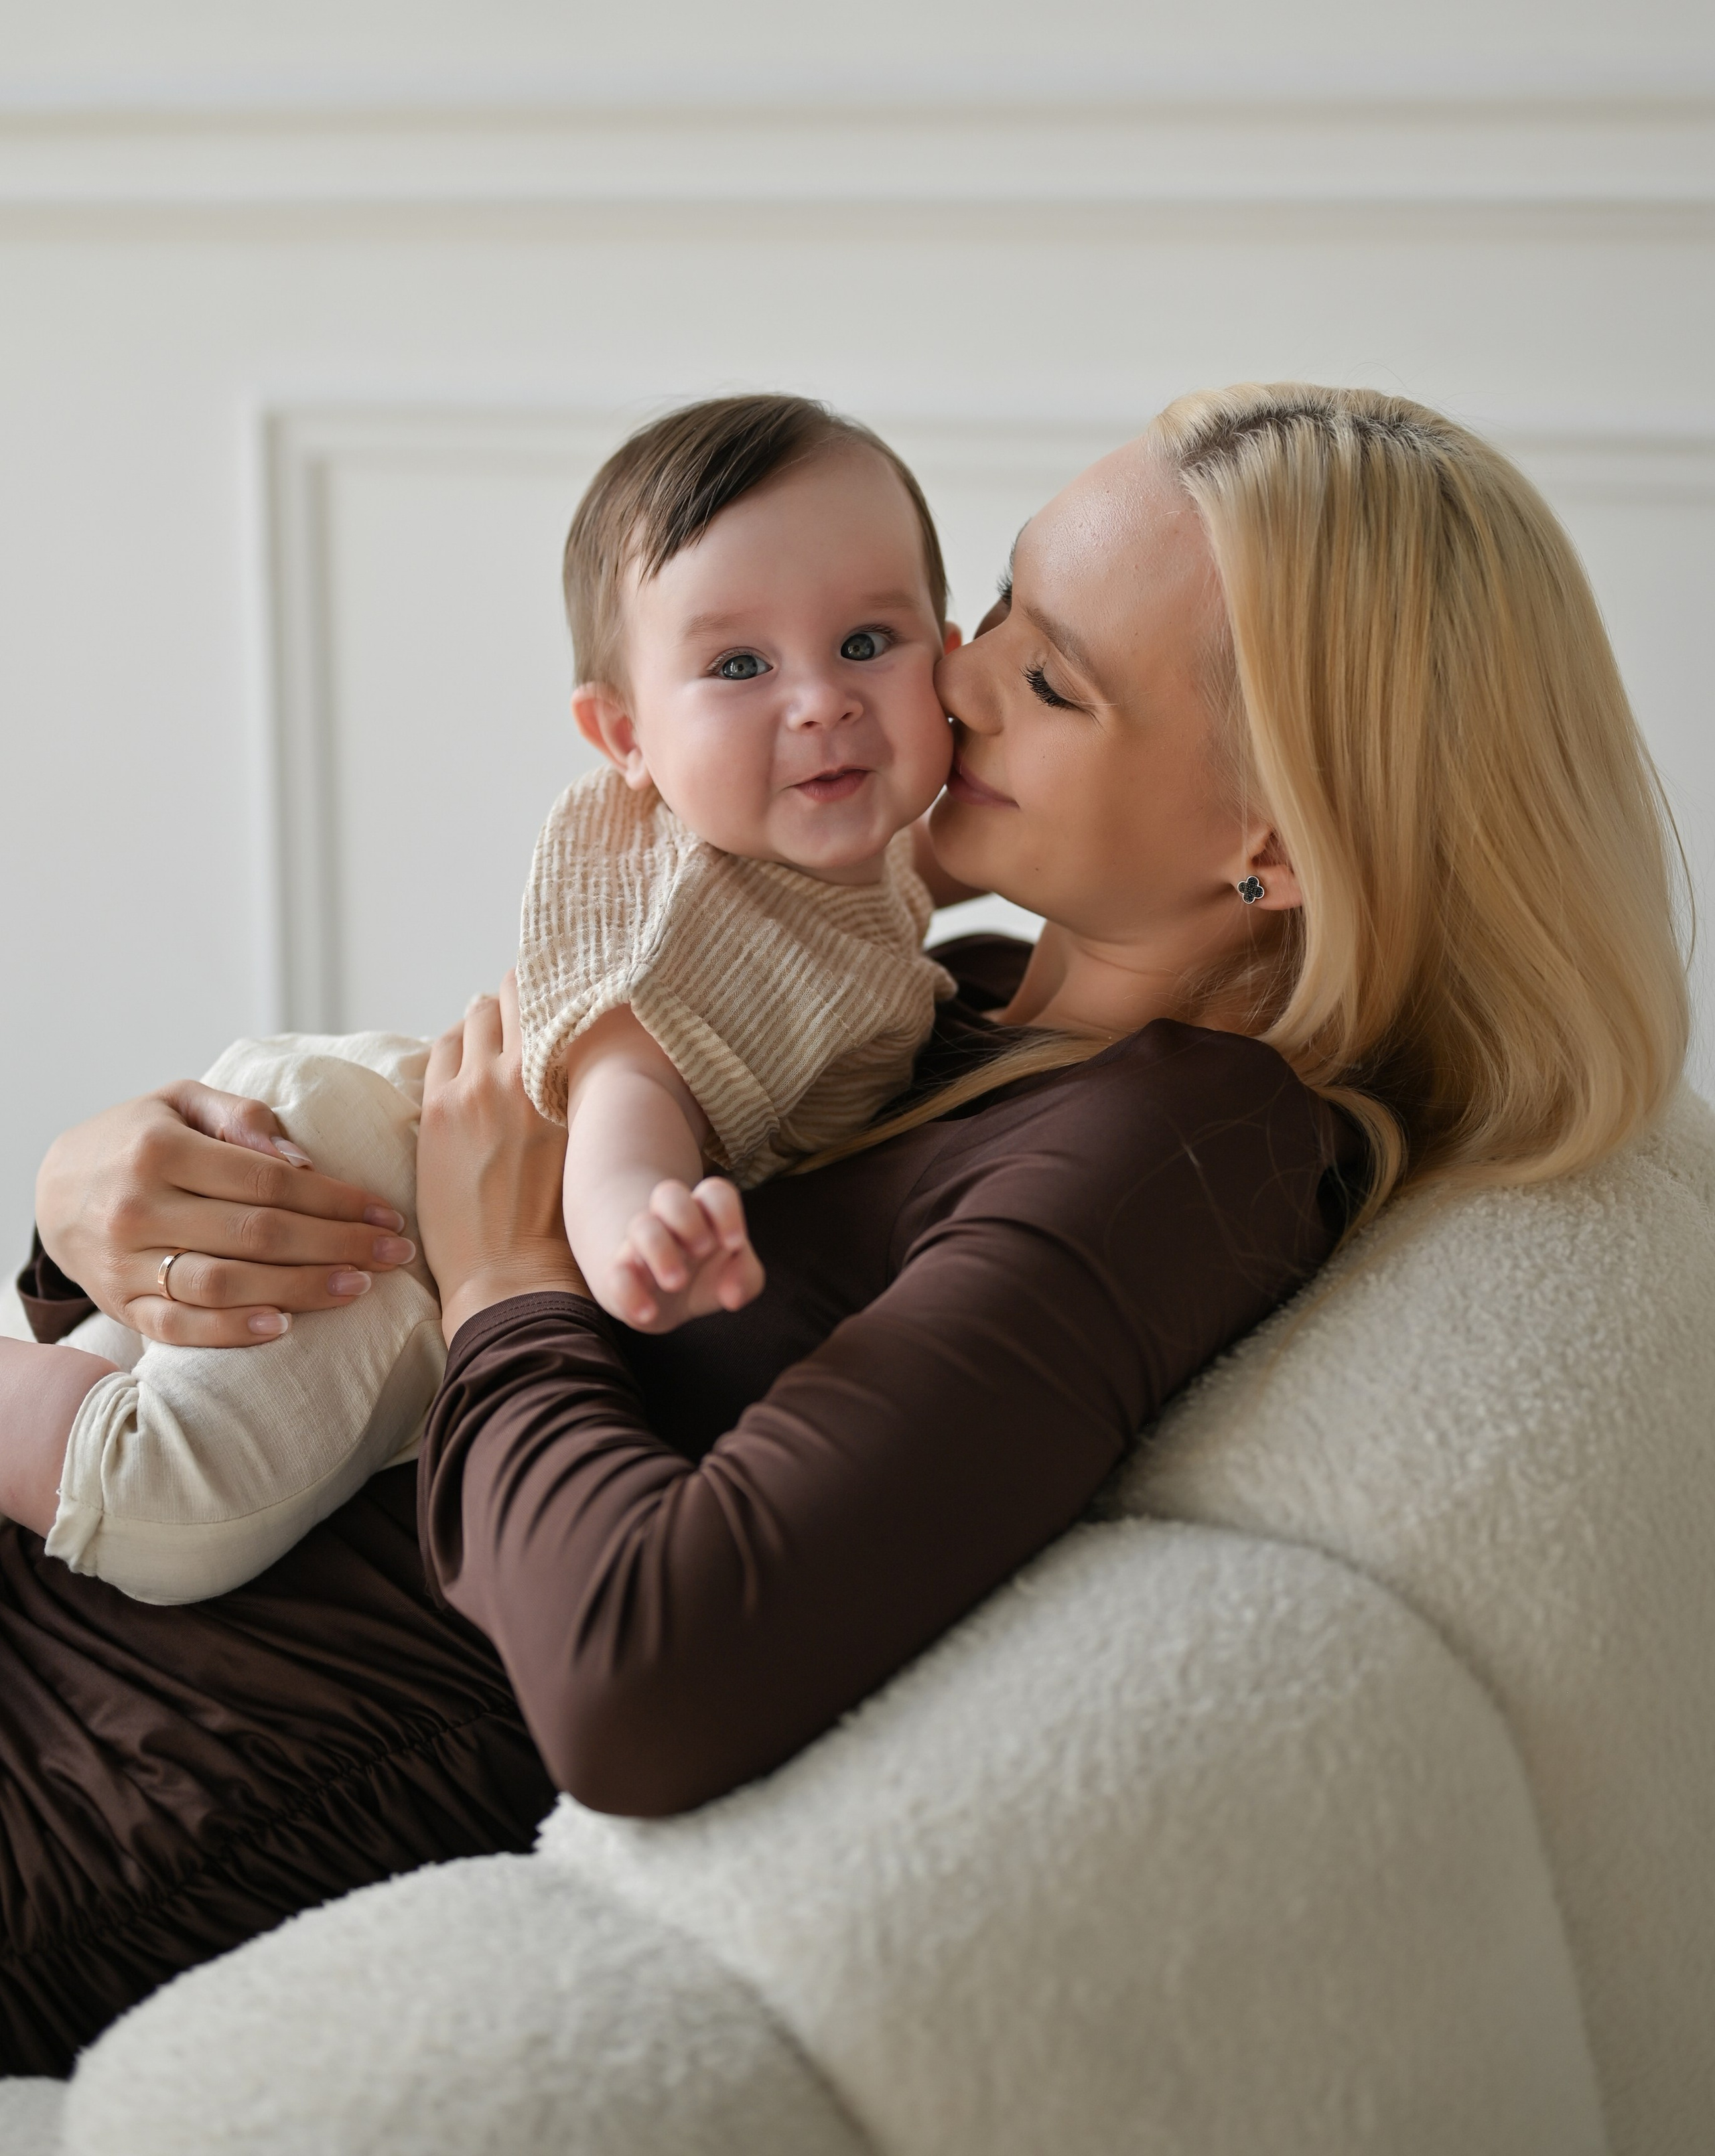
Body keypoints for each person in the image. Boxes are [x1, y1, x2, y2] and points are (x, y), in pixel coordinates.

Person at [0, 383, 1687, 2076]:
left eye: (1048, 676)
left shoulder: (1180, 1149)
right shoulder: (926, 998)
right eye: (999, 606)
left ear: (1272, 842)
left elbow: (646, 1673)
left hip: (93, 1779)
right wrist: (100, 1204)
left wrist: (510, 1272)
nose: (943, 679)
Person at [0, 397, 962, 1603]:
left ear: (950, 648)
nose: (821, 699)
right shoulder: (681, 952)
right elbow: (624, 1117)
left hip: (369, 1134)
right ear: (624, 735)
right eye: (738, 666)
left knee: (120, 1366)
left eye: (870, 643)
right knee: (168, 1515)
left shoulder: (830, 871)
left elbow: (904, 891)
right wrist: (640, 1241)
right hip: (384, 1231)